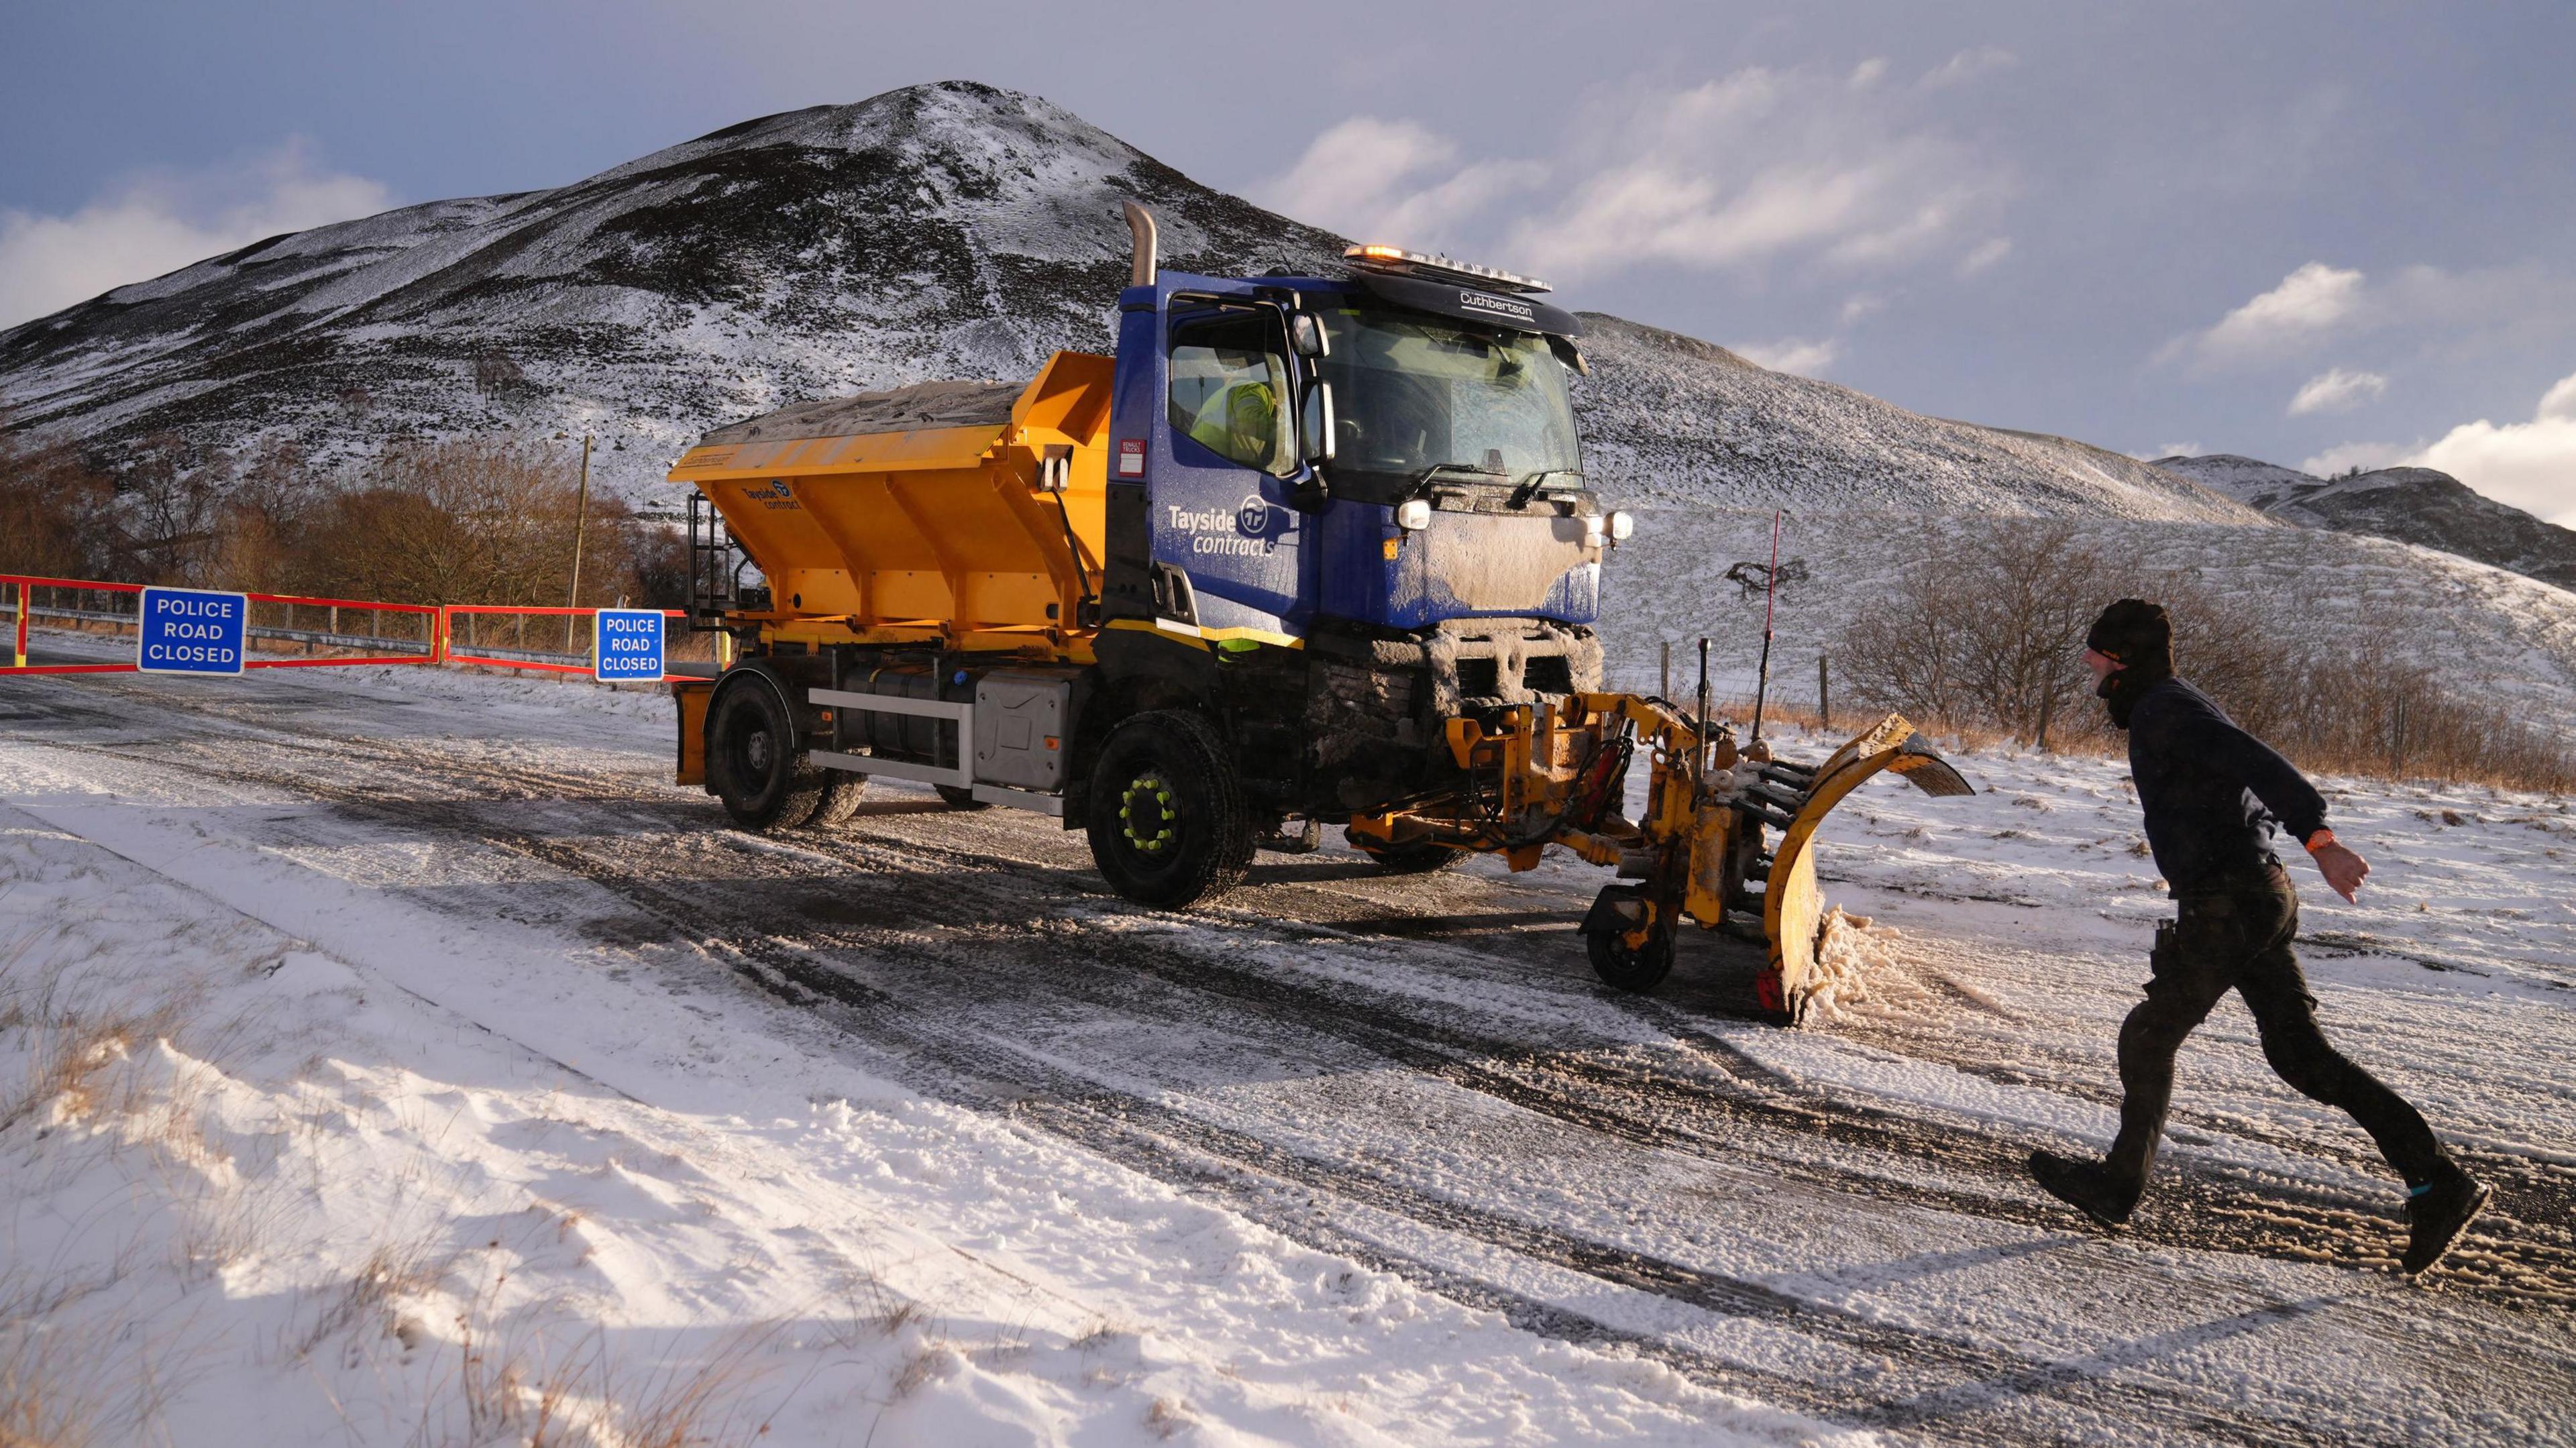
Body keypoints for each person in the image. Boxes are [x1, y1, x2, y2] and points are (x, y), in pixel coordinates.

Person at [2028, 599, 2490, 1277]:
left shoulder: (2164, 707)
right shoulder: (2176, 702)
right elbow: (2241, 785)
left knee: (2151, 1033)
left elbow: (2258, 761)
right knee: (2301, 1056)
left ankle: (2117, 1185)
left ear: (2123, 661)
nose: (2087, 661)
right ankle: (2438, 1181)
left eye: (2096, 651)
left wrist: (2321, 838)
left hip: (2231, 904)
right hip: (2254, 894)